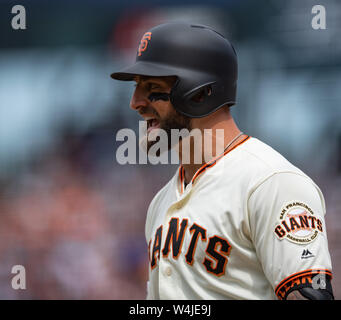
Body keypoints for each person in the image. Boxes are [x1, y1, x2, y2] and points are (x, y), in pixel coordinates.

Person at [111, 22, 334, 300]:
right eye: (136, 88)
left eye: (152, 87)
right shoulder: (161, 202)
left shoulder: (271, 182)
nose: (136, 102)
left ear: (201, 92)